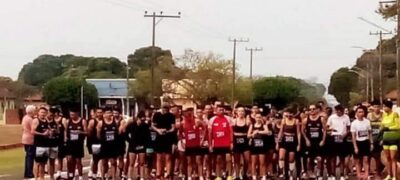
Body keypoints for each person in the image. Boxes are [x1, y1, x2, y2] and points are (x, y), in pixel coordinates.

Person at [302, 104, 326, 179]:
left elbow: (325, 130)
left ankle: (318, 172)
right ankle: (311, 173)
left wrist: (323, 140)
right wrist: (306, 140)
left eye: (313, 109)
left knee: (319, 159)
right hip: (310, 142)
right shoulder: (306, 120)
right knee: (309, 159)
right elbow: (302, 131)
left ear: (316, 110)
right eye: (310, 109)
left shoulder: (321, 119)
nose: (312, 111)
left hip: (318, 141)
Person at [209, 105, 233, 180]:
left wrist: (231, 142)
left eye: (222, 110)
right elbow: (210, 133)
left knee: (228, 159)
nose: (221, 111)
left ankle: (229, 175)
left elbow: (231, 131)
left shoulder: (228, 119)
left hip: (227, 143)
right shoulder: (212, 119)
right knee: (218, 160)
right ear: (216, 111)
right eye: (219, 110)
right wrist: (210, 145)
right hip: (217, 143)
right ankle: (218, 176)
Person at [326, 105, 350, 180]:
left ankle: (342, 174)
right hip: (333, 137)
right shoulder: (331, 117)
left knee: (342, 157)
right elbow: (327, 127)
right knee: (333, 158)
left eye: (340, 110)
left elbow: (348, 128)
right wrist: (329, 132)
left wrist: (344, 135)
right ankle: (332, 174)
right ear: (335, 110)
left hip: (342, 138)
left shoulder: (346, 117)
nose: (339, 112)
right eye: (337, 110)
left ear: (342, 110)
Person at [152, 105, 176, 179]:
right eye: (163, 108)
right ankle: (159, 173)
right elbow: (153, 126)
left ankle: (168, 173)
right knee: (159, 157)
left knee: (168, 157)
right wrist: (158, 130)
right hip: (159, 137)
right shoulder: (156, 115)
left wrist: (167, 131)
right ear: (161, 108)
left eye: (166, 109)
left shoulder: (171, 116)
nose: (165, 110)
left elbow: (173, 128)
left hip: (168, 138)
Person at [277, 108, 301, 179]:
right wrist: (277, 143)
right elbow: (280, 132)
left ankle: (290, 174)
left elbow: (298, 133)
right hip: (284, 141)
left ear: (293, 114)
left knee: (291, 159)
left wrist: (299, 144)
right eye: (287, 114)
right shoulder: (283, 121)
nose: (289, 115)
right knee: (281, 157)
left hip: (293, 141)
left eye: (290, 114)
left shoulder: (296, 121)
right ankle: (282, 171)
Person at [97, 107, 120, 179]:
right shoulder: (101, 123)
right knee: (104, 163)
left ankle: (113, 177)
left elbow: (117, 133)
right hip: (104, 146)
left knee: (113, 162)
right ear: (104, 114)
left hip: (113, 146)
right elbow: (98, 135)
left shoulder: (115, 123)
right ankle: (103, 177)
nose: (109, 114)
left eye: (110, 112)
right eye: (107, 113)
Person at [351, 106, 373, 179]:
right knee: (357, 161)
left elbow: (370, 133)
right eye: (359, 112)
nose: (361, 113)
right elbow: (353, 136)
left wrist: (371, 143)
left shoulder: (367, 121)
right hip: (358, 142)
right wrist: (355, 147)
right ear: (356, 113)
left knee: (366, 160)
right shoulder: (354, 123)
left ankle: (366, 174)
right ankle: (358, 174)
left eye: (362, 112)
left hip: (366, 142)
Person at [126, 111, 150, 180]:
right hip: (133, 145)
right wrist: (130, 141)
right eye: (141, 119)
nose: (142, 121)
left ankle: (142, 177)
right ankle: (129, 177)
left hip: (142, 146)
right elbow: (126, 134)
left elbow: (148, 137)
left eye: (143, 120)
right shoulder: (131, 125)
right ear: (138, 118)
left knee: (142, 163)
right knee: (131, 163)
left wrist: (146, 146)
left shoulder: (145, 126)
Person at [64, 108, 87, 180]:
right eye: (70, 114)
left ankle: (80, 176)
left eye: (73, 114)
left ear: (77, 114)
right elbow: (65, 130)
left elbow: (87, 132)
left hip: (78, 143)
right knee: (69, 160)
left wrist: (80, 132)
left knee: (78, 160)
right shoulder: (68, 121)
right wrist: (65, 138)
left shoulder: (83, 121)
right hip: (70, 143)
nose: (72, 116)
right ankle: (71, 174)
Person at [381, 100, 400, 180]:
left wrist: (388, 127)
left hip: (393, 138)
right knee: (388, 157)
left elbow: (398, 126)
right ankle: (389, 174)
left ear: (389, 107)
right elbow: (382, 125)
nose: (384, 108)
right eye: (383, 106)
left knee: (393, 158)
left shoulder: (395, 114)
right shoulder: (384, 115)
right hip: (386, 138)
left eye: (385, 106)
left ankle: (395, 176)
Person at [248, 112, 269, 180]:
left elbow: (267, 132)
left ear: (261, 118)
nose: (258, 119)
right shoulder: (252, 125)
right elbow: (248, 135)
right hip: (254, 146)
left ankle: (264, 176)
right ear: (255, 118)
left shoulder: (264, 125)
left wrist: (258, 131)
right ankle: (254, 176)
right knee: (254, 162)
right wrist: (252, 134)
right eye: (257, 117)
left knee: (262, 162)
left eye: (260, 117)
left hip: (262, 146)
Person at [232, 107, 251, 179]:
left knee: (247, 160)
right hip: (236, 141)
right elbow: (231, 132)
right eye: (239, 111)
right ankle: (237, 175)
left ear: (244, 112)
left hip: (245, 141)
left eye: (242, 111)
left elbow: (250, 131)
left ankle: (244, 173)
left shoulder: (247, 121)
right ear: (237, 112)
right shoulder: (234, 121)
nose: (241, 112)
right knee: (237, 160)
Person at [31, 107, 50, 180]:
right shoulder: (36, 120)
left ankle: (42, 177)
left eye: (44, 112)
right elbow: (32, 131)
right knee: (37, 163)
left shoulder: (46, 121)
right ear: (38, 113)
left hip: (46, 144)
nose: (43, 114)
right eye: (41, 112)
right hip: (38, 145)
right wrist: (42, 134)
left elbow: (47, 130)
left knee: (43, 163)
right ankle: (36, 178)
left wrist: (50, 132)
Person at [367, 100, 383, 178]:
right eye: (375, 107)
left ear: (380, 107)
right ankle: (369, 172)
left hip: (380, 139)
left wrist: (382, 139)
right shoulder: (369, 115)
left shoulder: (383, 115)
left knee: (378, 157)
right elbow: (367, 128)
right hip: (371, 138)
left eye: (378, 106)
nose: (376, 108)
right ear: (372, 107)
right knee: (369, 156)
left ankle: (378, 173)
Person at [87, 107, 104, 179]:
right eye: (98, 112)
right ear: (96, 113)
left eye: (101, 112)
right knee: (95, 160)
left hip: (104, 143)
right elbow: (89, 133)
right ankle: (94, 174)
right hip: (95, 144)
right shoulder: (92, 121)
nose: (99, 114)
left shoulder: (105, 121)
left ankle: (102, 174)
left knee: (103, 159)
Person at [46, 107, 63, 180]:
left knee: (52, 161)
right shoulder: (44, 121)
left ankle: (52, 176)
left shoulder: (55, 122)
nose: (50, 115)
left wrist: (54, 131)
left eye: (52, 114)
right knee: (42, 162)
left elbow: (58, 132)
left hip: (53, 143)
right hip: (45, 144)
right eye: (49, 114)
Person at [112, 107, 128, 179]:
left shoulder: (123, 121)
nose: (115, 114)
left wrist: (119, 123)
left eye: (116, 113)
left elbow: (120, 131)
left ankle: (120, 173)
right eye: (114, 113)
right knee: (113, 160)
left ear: (119, 113)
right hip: (112, 143)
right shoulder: (111, 120)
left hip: (120, 142)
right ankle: (113, 175)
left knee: (120, 158)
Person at [22, 105, 36, 179]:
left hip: (25, 138)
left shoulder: (24, 117)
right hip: (30, 139)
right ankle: (29, 173)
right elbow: (33, 129)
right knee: (30, 157)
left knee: (28, 156)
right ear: (32, 111)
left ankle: (27, 173)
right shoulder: (30, 119)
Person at [53, 107, 67, 179]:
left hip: (61, 140)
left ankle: (59, 173)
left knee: (60, 157)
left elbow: (65, 130)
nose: (54, 114)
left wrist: (65, 139)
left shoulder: (63, 119)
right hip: (53, 141)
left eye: (55, 112)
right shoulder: (51, 120)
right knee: (53, 157)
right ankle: (52, 173)